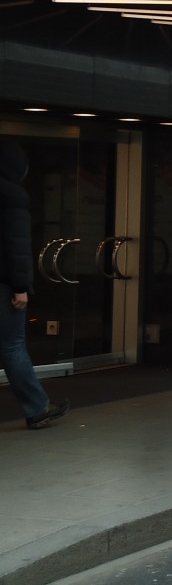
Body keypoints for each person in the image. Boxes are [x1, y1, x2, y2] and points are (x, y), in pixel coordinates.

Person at [0, 140, 69, 430]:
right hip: (3, 283)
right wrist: (20, 286)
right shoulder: (12, 195)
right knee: (13, 345)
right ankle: (37, 407)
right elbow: (16, 246)